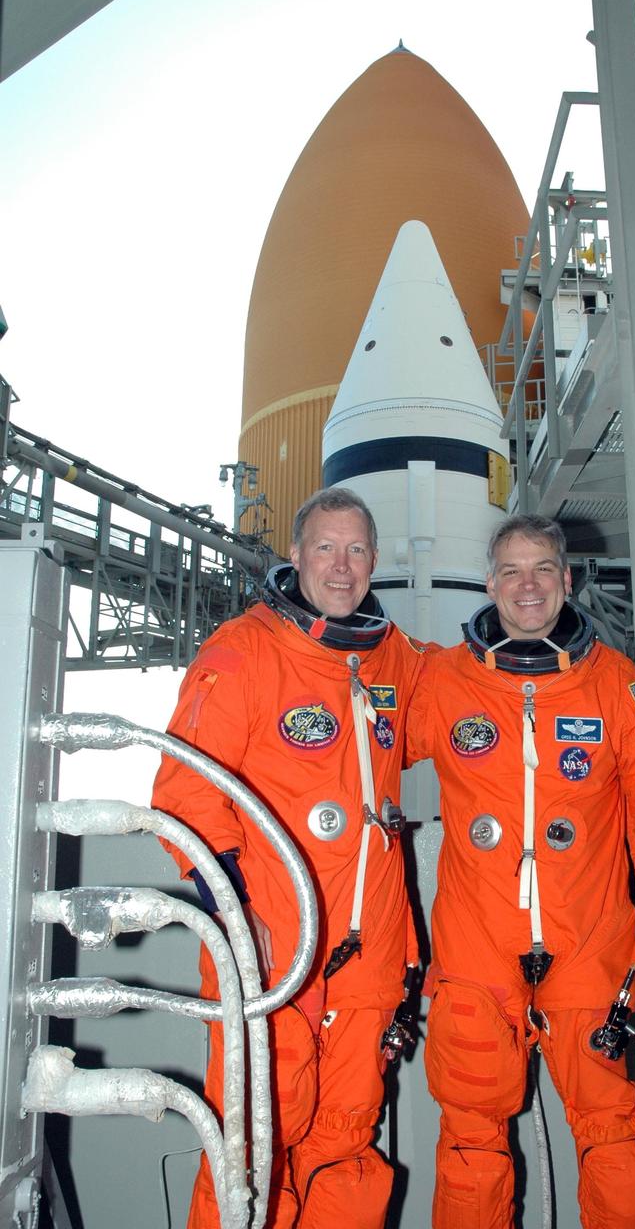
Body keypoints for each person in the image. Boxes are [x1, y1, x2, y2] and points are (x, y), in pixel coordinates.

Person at [406, 514, 635, 1229]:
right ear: (489, 583)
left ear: (566, 580)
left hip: (587, 942)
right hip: (477, 945)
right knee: (473, 1133)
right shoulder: (443, 680)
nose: (527, 585)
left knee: (612, 1130)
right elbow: (356, 742)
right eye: (510, 570)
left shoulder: (615, 683)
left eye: (541, 568)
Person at [151, 486, 425, 1229]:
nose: (342, 567)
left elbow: (479, 715)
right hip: (272, 942)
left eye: (358, 550)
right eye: (327, 548)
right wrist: (234, 913)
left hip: (367, 954)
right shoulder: (243, 650)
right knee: (254, 1145)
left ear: (374, 561)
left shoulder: (394, 659)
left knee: (345, 1142)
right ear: (297, 556)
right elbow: (187, 790)